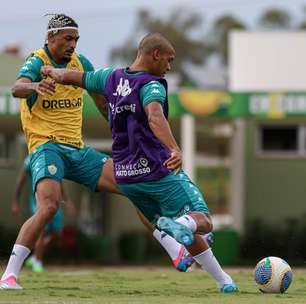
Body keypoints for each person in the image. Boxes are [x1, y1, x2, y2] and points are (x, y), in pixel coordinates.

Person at [0, 14, 197, 290]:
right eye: (68, 38)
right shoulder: (36, 60)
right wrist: (35, 85)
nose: (73, 44)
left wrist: (123, 132)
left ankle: (174, 249)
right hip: (46, 147)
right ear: (51, 37)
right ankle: (9, 275)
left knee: (133, 185)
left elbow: (105, 105)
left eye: (76, 39)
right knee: (48, 206)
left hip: (78, 150)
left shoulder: (82, 64)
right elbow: (16, 88)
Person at [40, 32, 238, 292]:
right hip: (158, 171)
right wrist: (174, 148)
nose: (169, 67)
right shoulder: (151, 85)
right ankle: (179, 226)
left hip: (126, 176)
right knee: (203, 220)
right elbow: (155, 116)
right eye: (168, 60)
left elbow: (74, 78)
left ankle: (224, 282)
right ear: (155, 55)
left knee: (189, 234)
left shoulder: (110, 77)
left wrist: (48, 70)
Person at [11, 155, 76, 273]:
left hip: (54, 200)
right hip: (38, 201)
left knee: (57, 234)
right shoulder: (30, 159)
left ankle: (35, 256)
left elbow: (60, 181)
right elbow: (20, 180)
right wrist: (16, 201)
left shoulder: (53, 155)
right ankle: (38, 262)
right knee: (41, 231)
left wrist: (68, 201)